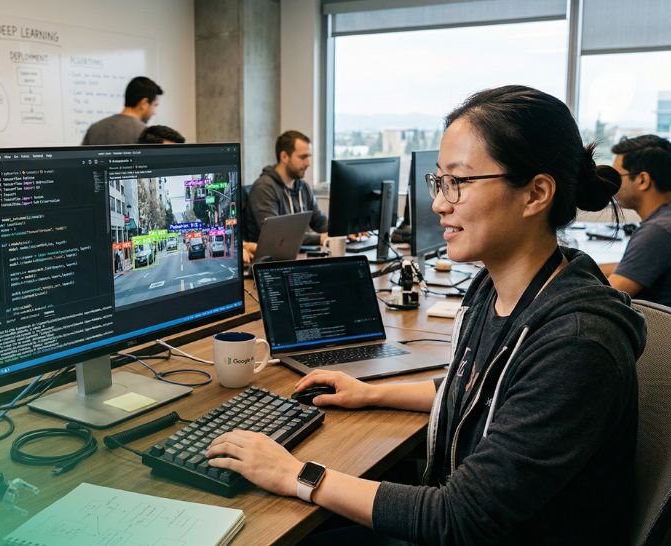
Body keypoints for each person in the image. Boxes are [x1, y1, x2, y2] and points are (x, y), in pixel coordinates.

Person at [206, 86, 646, 545]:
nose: (438, 203)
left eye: (459, 182)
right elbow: (480, 389)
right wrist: (371, 393)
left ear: (535, 194)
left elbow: (458, 518)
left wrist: (295, 474)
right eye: (439, 181)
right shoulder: (497, 289)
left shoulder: (576, 343)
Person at [600, 135, 671, 307]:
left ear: (642, 180)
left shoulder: (656, 231)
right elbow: (635, 267)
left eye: (617, 176)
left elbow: (604, 299)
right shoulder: (665, 220)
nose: (611, 183)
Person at [245, 130, 329, 245]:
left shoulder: (303, 187)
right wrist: (319, 239)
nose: (308, 163)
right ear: (284, 157)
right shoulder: (264, 188)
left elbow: (320, 222)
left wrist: (341, 232)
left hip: (299, 253)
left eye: (308, 157)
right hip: (272, 256)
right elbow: (277, 235)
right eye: (302, 157)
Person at [82, 76, 163, 145]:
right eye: (155, 105)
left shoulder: (95, 128)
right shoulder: (145, 133)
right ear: (144, 103)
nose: (154, 113)